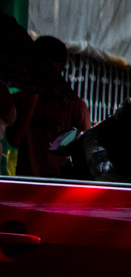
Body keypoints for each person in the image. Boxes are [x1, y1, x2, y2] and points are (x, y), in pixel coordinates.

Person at [4, 36, 92, 177]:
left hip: (58, 186)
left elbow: (87, 151)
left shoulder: (73, 106)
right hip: (28, 183)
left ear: (55, 67)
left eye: (37, 62)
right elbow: (15, 139)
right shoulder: (19, 100)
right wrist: (33, 96)